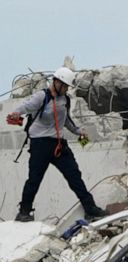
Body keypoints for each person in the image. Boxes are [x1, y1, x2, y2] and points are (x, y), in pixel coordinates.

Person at [6, 67, 108, 222]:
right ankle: (24, 212)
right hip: (40, 144)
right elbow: (26, 106)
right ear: (57, 82)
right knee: (34, 179)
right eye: (65, 85)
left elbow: (66, 120)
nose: (66, 89)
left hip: (58, 144)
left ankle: (90, 208)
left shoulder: (65, 99)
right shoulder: (42, 96)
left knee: (74, 176)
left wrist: (78, 131)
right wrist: (16, 113)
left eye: (68, 86)